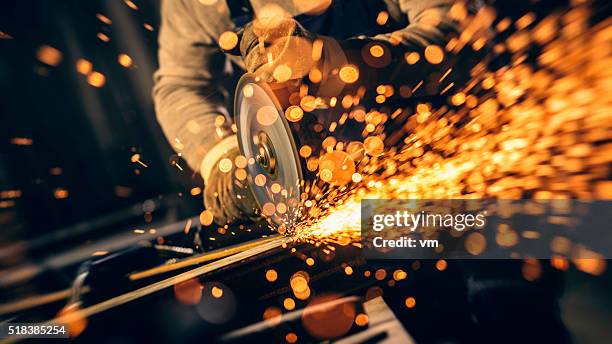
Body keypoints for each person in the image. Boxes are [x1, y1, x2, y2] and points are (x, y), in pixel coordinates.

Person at [153, 0, 461, 225]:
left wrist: (329, 62)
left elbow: (456, 32)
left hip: (457, 167)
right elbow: (182, 86)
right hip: (355, 205)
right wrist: (222, 153)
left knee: (493, 295)